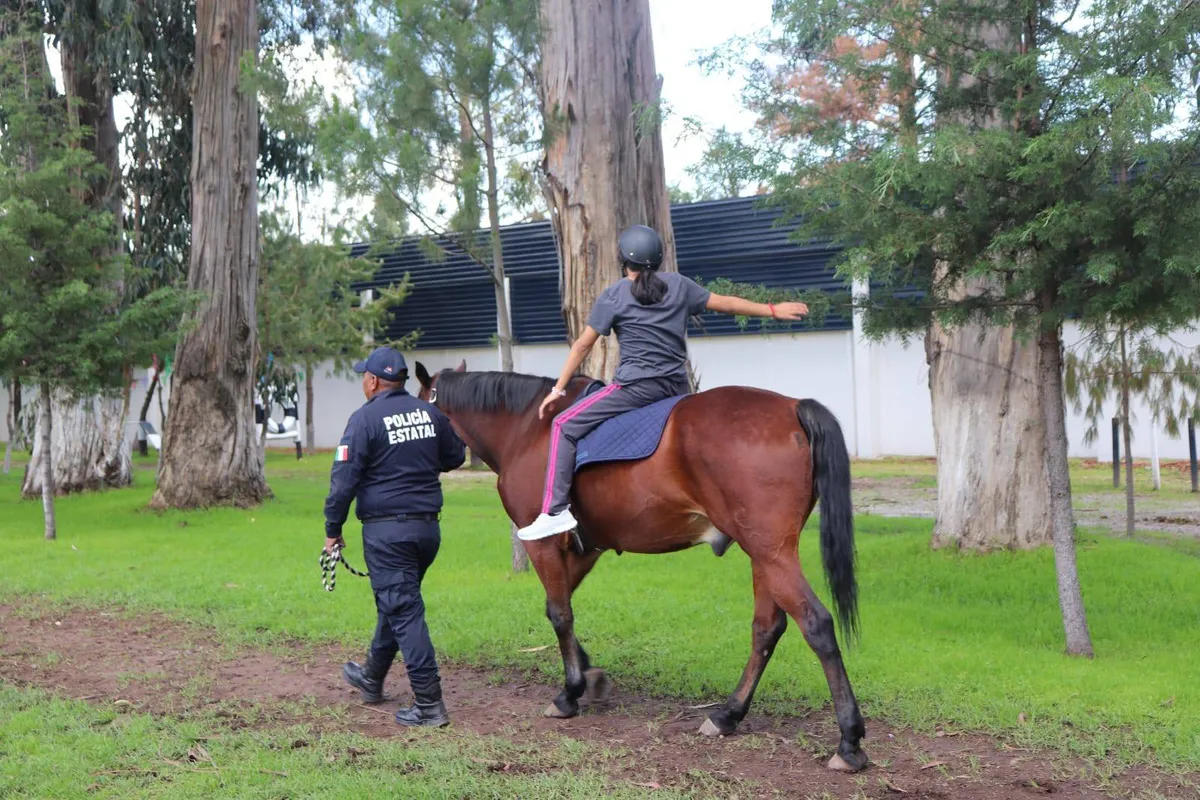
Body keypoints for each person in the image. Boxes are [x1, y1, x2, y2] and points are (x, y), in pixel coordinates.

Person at [516, 223, 810, 541]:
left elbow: (582, 346)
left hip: (635, 389)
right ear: (658, 259)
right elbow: (725, 303)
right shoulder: (679, 286)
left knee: (563, 424)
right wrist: (772, 310)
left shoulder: (614, 295)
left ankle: (555, 512)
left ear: (623, 260)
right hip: (676, 390)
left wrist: (558, 389)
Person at [323, 345, 466, 727]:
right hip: (426, 531)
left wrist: (332, 531)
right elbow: (456, 456)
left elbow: (343, 482)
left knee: (403, 609)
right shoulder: (430, 413)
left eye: (362, 378)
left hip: (388, 533)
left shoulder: (364, 419)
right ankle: (372, 676)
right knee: (396, 601)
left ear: (372, 381)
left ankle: (430, 705)